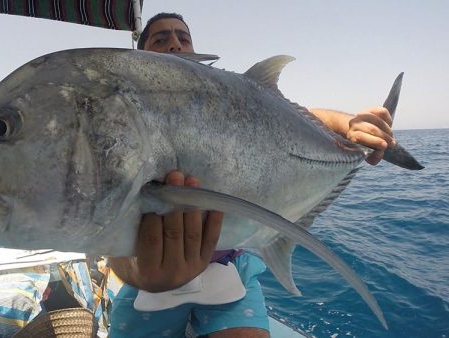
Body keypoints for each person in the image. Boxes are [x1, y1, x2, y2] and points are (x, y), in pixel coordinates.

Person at [108, 12, 396, 338]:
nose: (174, 43)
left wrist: (350, 127)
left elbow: (289, 118)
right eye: (160, 39)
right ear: (141, 53)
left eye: (183, 37)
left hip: (229, 269)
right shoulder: (126, 115)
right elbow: (111, 226)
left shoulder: (221, 99)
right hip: (146, 284)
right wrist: (140, 274)